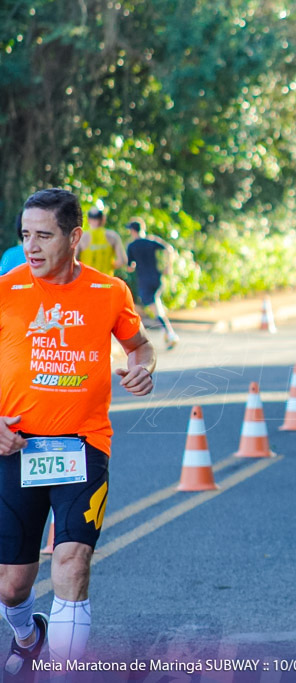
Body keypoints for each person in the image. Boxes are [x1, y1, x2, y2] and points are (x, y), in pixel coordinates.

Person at [0, 188, 155, 674]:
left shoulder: (110, 292)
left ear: (75, 237)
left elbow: (140, 346)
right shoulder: (7, 290)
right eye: (26, 235)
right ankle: (28, 636)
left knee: (71, 561)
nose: (33, 246)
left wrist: (142, 367)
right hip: (15, 448)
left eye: (44, 235)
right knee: (12, 585)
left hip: (83, 446)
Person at [125, 219, 180, 350]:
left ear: (133, 231)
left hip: (144, 281)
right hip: (156, 278)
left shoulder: (132, 246)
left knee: (154, 309)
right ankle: (167, 334)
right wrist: (168, 267)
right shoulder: (151, 241)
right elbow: (169, 249)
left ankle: (169, 333)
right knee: (155, 306)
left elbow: (130, 266)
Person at [77, 206, 127, 276]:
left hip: (88, 281)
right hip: (106, 282)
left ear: (88, 220)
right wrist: (109, 266)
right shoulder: (113, 236)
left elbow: (73, 261)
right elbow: (123, 260)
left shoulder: (81, 237)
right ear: (103, 219)